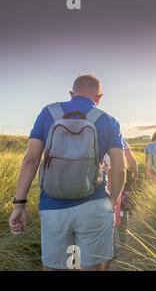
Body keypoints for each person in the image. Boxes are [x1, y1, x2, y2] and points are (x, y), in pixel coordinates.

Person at [9, 74, 126, 271]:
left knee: (54, 267)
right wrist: (111, 202)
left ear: (72, 93)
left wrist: (19, 204)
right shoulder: (108, 121)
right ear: (99, 97)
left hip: (53, 206)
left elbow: (30, 160)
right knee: (93, 267)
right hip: (94, 204)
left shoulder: (48, 113)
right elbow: (120, 167)